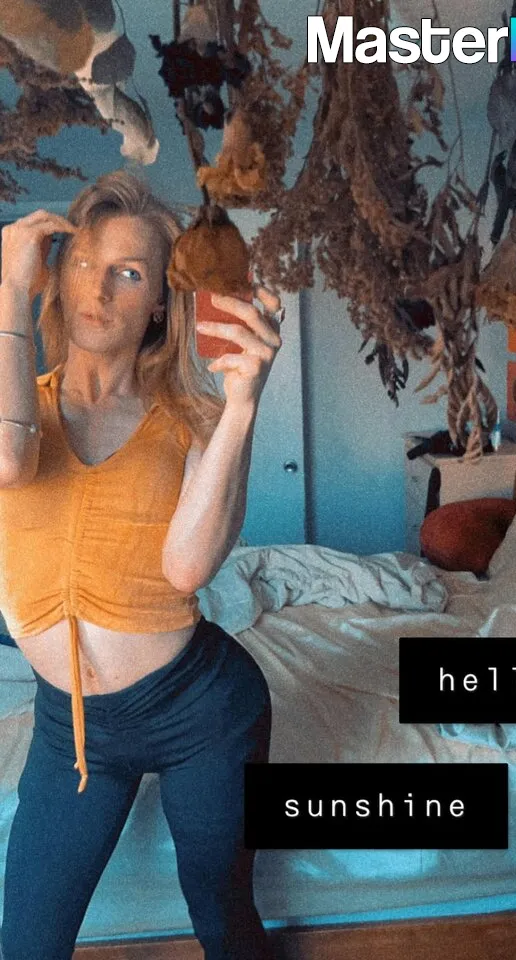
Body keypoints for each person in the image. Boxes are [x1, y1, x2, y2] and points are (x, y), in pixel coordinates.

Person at [0, 170, 283, 960]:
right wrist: (9, 292)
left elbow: (189, 567)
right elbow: (8, 459)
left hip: (202, 712)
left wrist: (243, 405)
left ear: (161, 299)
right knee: (26, 945)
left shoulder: (190, 421)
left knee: (223, 915)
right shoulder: (18, 404)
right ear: (57, 275)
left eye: (128, 272)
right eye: (83, 262)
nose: (98, 289)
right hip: (71, 730)